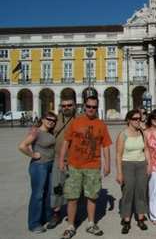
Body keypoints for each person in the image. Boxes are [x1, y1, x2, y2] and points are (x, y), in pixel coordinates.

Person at [59, 96, 112, 239]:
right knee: (72, 197)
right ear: (84, 107)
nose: (91, 109)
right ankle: (70, 226)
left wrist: (108, 164)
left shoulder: (101, 125)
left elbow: (106, 146)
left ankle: (90, 223)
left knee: (92, 196)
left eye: (94, 107)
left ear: (97, 107)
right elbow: (66, 141)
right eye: (88, 106)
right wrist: (61, 160)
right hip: (74, 165)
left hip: (93, 166)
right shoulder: (76, 122)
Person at [18, 112, 58, 233]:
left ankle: (46, 217)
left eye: (53, 120)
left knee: (48, 193)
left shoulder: (50, 132)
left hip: (50, 165)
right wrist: (33, 154)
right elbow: (22, 146)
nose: (51, 121)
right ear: (42, 119)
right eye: (48, 119)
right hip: (39, 166)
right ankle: (34, 223)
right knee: (38, 194)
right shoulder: (36, 131)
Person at [115, 110, 148, 234]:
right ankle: (126, 219)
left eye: (139, 118)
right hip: (127, 164)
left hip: (141, 164)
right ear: (128, 120)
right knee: (128, 191)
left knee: (141, 190)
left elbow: (146, 150)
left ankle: (140, 217)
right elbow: (118, 155)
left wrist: (148, 164)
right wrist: (119, 173)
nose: (138, 121)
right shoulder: (123, 134)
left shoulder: (142, 133)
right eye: (135, 119)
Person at [47, 98, 77, 230]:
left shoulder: (79, 119)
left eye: (69, 105)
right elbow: (41, 129)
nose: (66, 107)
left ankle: (74, 214)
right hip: (58, 158)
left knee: (75, 188)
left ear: (74, 106)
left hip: (75, 160)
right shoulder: (55, 120)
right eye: (64, 105)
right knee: (57, 186)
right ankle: (56, 213)